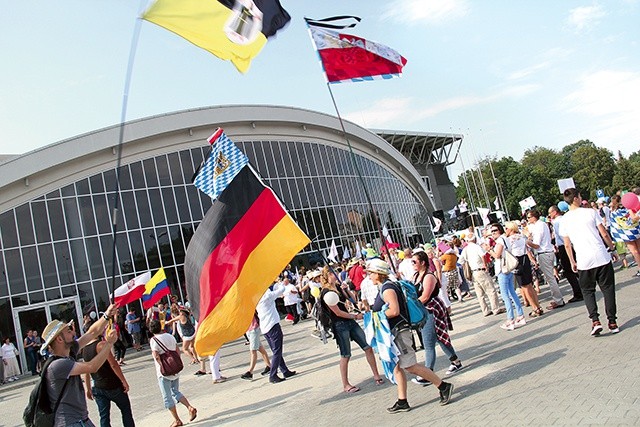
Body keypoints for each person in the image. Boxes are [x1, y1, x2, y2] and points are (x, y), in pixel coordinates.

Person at [368, 259, 454, 413]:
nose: (369, 276)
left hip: (399, 332)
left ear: (379, 274)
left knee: (410, 366)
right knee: (397, 367)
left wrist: (375, 317)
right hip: (393, 333)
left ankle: (443, 386)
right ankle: (402, 401)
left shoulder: (387, 288)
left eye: (371, 273)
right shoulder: (385, 286)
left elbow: (394, 311)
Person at [39, 304, 119, 427]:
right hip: (70, 423)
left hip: (81, 420)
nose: (73, 333)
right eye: (68, 331)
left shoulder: (68, 353)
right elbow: (92, 367)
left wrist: (107, 315)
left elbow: (92, 333)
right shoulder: (58, 365)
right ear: (60, 339)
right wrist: (108, 343)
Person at [560, 188, 618, 336]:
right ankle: (612, 322)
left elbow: (567, 244)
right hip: (601, 255)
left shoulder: (564, 219)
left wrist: (572, 261)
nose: (581, 198)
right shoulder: (591, 212)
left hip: (583, 260)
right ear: (575, 199)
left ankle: (595, 321)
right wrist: (612, 248)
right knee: (608, 289)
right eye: (579, 196)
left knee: (588, 291)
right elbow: (603, 233)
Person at [319, 266, 384, 393]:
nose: (336, 275)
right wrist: (355, 316)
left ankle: (376, 375)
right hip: (339, 325)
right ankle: (346, 384)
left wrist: (346, 290)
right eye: (333, 274)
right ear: (328, 276)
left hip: (349, 321)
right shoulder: (326, 293)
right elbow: (337, 312)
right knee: (345, 355)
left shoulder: (337, 288)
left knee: (367, 347)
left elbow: (352, 301)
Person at [412, 251, 463, 382]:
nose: (412, 264)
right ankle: (456, 361)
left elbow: (425, 296)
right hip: (422, 310)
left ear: (423, 262)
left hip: (431, 309)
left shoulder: (429, 276)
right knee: (440, 338)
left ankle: (428, 373)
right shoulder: (416, 275)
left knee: (428, 343)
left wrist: (411, 307)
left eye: (414, 262)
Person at [149, 319, 197, 427]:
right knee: (175, 391)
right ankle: (189, 407)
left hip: (164, 372)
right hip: (175, 370)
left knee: (167, 397)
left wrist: (162, 365)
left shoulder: (154, 340)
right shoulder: (170, 336)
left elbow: (156, 356)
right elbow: (177, 350)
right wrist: (174, 363)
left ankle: (177, 420)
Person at [82, 332, 135, 427]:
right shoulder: (101, 345)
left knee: (104, 416)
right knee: (125, 410)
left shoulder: (84, 349)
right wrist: (123, 381)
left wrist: (88, 388)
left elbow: (86, 370)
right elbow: (113, 364)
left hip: (97, 386)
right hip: (112, 384)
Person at [484, 223, 526, 331]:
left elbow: (497, 256)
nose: (493, 233)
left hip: (502, 269)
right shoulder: (506, 239)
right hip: (508, 268)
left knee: (505, 294)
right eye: (492, 231)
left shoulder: (500, 240)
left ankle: (510, 319)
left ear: (500, 230)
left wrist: (489, 249)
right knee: (512, 292)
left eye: (495, 231)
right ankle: (520, 315)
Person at [256, 281, 297, 383]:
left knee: (276, 351)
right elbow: (281, 290)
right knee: (277, 351)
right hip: (272, 325)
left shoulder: (257, 297)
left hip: (265, 327)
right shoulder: (267, 296)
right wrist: (280, 283)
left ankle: (285, 370)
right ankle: (273, 374)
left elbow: (274, 289)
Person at [523, 210, 565, 310]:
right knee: (550, 277)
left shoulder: (539, 226)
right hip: (547, 252)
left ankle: (558, 300)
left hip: (544, 253)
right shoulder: (542, 225)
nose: (527, 220)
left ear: (534, 217)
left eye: (529, 217)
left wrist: (526, 241)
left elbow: (536, 244)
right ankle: (557, 299)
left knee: (550, 278)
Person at [504, 221, 543, 317]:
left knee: (524, 287)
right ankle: (538, 306)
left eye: (506, 228)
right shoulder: (521, 236)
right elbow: (528, 247)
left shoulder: (509, 239)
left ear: (510, 229)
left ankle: (535, 308)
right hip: (525, 260)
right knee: (530, 285)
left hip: (517, 261)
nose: (505, 230)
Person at [459, 235, 503, 316]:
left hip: (474, 272)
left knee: (480, 293)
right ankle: (495, 308)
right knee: (490, 290)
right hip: (480, 269)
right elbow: (482, 255)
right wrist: (485, 266)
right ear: (475, 239)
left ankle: (485, 310)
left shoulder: (466, 249)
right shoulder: (477, 247)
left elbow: (461, 261)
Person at [547, 205, 584, 302]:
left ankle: (578, 292)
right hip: (570, 244)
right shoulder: (565, 219)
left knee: (568, 270)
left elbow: (562, 235)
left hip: (564, 246)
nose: (549, 215)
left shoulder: (557, 222)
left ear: (555, 212)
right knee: (576, 267)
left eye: (550, 213)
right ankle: (584, 287)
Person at [240, 312, 271, 380]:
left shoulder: (248, 305)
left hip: (254, 329)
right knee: (261, 349)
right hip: (248, 330)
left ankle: (250, 372)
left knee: (253, 351)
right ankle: (269, 366)